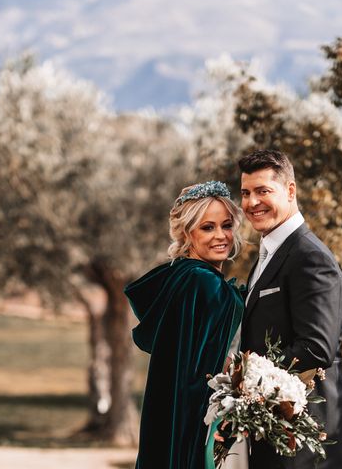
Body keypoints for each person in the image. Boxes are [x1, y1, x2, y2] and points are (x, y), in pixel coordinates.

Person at [238, 149, 342, 469]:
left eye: (263, 191)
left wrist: (243, 382)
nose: (251, 202)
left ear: (290, 191)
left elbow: (317, 347)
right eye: (246, 193)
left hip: (306, 444)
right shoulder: (268, 255)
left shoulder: (310, 258)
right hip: (276, 434)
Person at [125, 181, 245, 469]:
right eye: (208, 227)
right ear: (187, 233)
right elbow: (203, 373)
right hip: (195, 429)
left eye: (226, 225)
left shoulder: (179, 277)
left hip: (168, 422)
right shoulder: (204, 284)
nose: (221, 236)